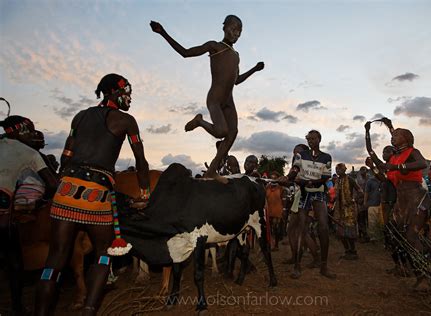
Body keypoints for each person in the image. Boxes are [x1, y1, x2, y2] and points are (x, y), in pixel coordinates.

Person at [35, 73, 150, 315]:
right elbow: (141, 161)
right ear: (115, 93)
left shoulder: (79, 117)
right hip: (96, 194)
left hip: (66, 190)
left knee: (54, 260)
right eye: (127, 92)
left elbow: (66, 157)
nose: (130, 98)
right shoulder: (126, 121)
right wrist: (144, 192)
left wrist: (60, 185)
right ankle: (89, 309)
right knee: (103, 255)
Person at [150, 16, 264, 183]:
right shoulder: (214, 46)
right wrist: (163, 33)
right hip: (215, 99)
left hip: (229, 101)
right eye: (233, 29)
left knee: (233, 133)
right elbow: (185, 53)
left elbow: (237, 80)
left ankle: (211, 171)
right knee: (221, 132)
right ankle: (199, 121)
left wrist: (254, 69)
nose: (236, 33)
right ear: (224, 28)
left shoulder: (236, 55)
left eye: (239, 31)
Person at [0, 115, 58, 315]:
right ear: (19, 130)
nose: (34, 135)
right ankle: (17, 308)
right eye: (31, 131)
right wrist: (41, 202)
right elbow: (52, 184)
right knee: (15, 263)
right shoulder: (29, 153)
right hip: (3, 217)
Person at [380, 118, 429, 286]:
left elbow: (422, 163)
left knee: (411, 236)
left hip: (416, 196)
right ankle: (403, 267)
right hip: (402, 199)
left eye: (397, 135)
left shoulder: (412, 151)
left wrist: (397, 169)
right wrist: (390, 127)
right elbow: (395, 141)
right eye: (392, 136)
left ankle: (423, 277)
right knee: (395, 233)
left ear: (407, 139)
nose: (393, 137)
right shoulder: (396, 156)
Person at [280, 130, 336, 279]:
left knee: (323, 227)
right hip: (305, 192)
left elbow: (325, 177)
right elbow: (295, 169)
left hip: (318, 192)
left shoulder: (326, 157)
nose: (310, 141)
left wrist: (308, 181)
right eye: (308, 139)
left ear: (319, 139)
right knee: (301, 228)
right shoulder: (301, 156)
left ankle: (323, 265)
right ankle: (297, 266)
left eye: (313, 138)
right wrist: (287, 177)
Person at [333, 163, 362, 260]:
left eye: (339, 169)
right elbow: (335, 194)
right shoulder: (337, 181)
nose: (338, 171)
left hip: (349, 209)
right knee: (341, 233)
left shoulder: (350, 179)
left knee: (350, 232)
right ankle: (347, 251)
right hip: (339, 210)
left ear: (344, 170)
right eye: (336, 169)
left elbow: (360, 190)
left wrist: (354, 200)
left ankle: (353, 252)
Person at [364, 174, 383, 240]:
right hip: (372, 204)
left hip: (382, 204)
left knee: (381, 221)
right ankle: (373, 237)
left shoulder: (383, 180)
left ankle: (380, 236)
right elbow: (366, 192)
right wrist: (365, 202)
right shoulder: (370, 181)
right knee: (372, 222)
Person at [356, 166, 370, 242]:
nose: (363, 172)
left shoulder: (369, 179)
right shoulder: (358, 180)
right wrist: (357, 199)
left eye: (364, 170)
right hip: (360, 202)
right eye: (362, 170)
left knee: (366, 219)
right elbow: (356, 190)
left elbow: (369, 191)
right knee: (360, 219)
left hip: (367, 202)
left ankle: (367, 235)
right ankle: (362, 234)